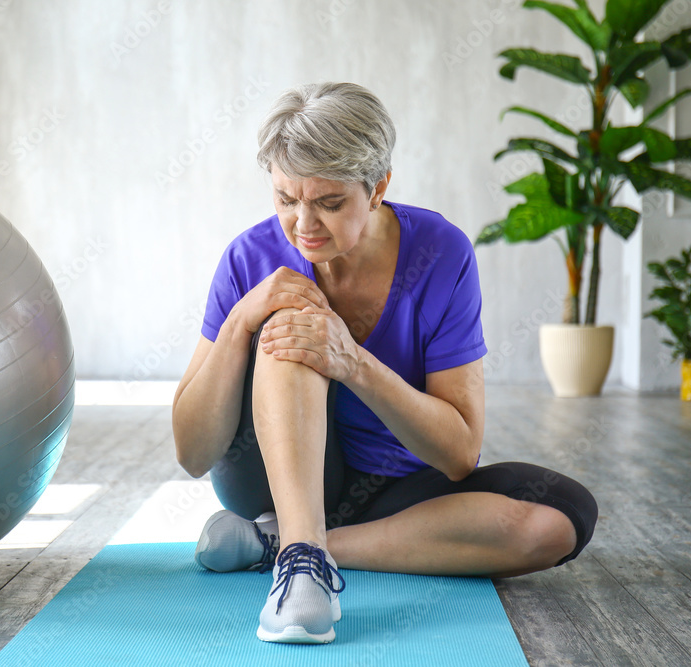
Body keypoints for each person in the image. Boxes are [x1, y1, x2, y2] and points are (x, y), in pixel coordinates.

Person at [171, 82, 597, 645]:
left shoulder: (441, 252)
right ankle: (300, 564)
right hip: (275, 480)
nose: (303, 224)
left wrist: (353, 363)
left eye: (329, 203)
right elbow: (193, 453)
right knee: (291, 325)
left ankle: (279, 545)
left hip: (397, 495)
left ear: (377, 189)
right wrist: (239, 322)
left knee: (559, 518)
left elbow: (458, 454)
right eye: (284, 199)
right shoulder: (248, 257)